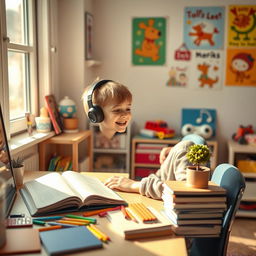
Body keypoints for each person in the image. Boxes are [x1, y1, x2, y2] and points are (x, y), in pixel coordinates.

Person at [104, 140, 194, 199]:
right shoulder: (182, 149)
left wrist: (134, 185)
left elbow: (185, 192)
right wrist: (175, 151)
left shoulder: (186, 148)